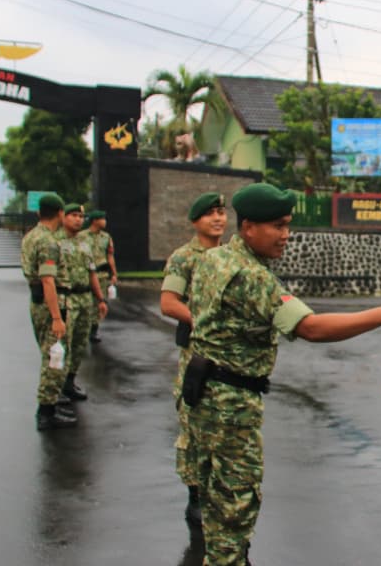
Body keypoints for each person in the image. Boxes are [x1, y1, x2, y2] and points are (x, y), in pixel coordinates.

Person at [187, 182, 381, 566]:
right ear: (249, 227)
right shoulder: (250, 276)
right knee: (235, 503)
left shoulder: (214, 259)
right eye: (278, 226)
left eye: (288, 226)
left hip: (204, 395)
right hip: (230, 406)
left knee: (216, 503)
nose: (286, 235)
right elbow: (311, 327)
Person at [159, 192, 227, 530]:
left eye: (221, 212)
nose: (217, 219)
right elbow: (169, 303)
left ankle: (219, 489)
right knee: (193, 425)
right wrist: (201, 323)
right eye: (210, 214)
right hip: (197, 354)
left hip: (229, 358)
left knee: (224, 424)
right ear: (195, 221)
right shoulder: (184, 258)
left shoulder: (232, 256)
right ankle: (195, 494)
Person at [22, 193, 76, 431]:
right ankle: (46, 411)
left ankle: (51, 403)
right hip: (51, 304)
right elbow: (48, 280)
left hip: (38, 302)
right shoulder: (48, 242)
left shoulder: (31, 236)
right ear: (60, 213)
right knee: (54, 357)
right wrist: (57, 317)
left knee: (50, 355)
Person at [55, 203, 109, 405]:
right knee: (63, 345)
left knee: (79, 343)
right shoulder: (55, 241)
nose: (78, 219)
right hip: (66, 298)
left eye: (81, 216)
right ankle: (56, 388)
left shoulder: (84, 243)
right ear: (64, 217)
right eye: (73, 215)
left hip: (85, 298)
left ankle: (69, 382)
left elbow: (91, 272)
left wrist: (100, 299)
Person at [81, 209, 117, 343]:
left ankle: (94, 330)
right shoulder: (82, 236)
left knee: (99, 302)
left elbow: (110, 255)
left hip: (101, 274)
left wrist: (113, 273)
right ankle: (83, 328)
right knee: (85, 302)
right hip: (85, 274)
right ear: (95, 220)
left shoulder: (106, 237)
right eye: (102, 219)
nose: (105, 221)